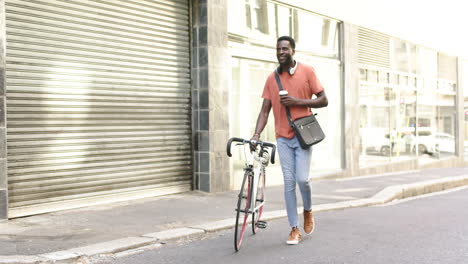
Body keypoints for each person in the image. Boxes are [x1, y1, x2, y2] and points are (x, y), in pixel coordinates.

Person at [251, 36, 328, 245]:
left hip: (303, 136)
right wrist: (256, 135)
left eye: (285, 48)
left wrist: (297, 102)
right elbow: (264, 111)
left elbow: (323, 99)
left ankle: (308, 210)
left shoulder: (307, 71)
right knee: (288, 183)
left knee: (302, 179)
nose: (281, 52)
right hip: (283, 138)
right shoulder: (271, 79)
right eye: (278, 49)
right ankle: (294, 228)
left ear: (293, 50)